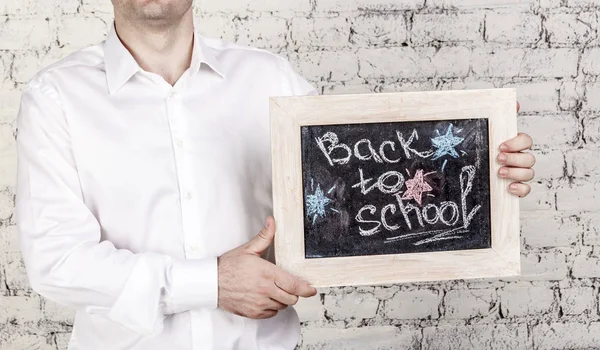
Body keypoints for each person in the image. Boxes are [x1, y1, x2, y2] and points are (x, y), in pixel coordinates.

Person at [14, 1, 536, 349]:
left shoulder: (271, 80)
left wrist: (480, 166)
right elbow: (58, 261)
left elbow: (360, 189)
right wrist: (210, 284)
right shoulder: (55, 98)